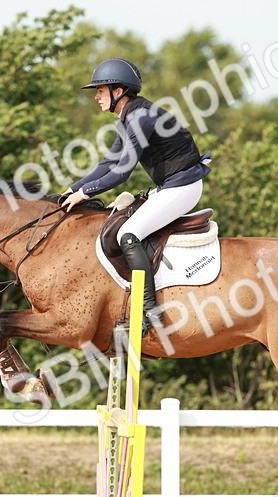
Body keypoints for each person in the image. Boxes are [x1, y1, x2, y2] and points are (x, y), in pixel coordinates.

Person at [61, 57, 211, 332]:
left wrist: (85, 193)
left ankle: (149, 312)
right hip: (172, 186)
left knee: (127, 235)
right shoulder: (130, 117)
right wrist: (71, 190)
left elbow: (121, 173)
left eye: (100, 90)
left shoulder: (140, 117)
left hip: (183, 186)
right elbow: (108, 164)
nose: (96, 97)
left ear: (119, 91)